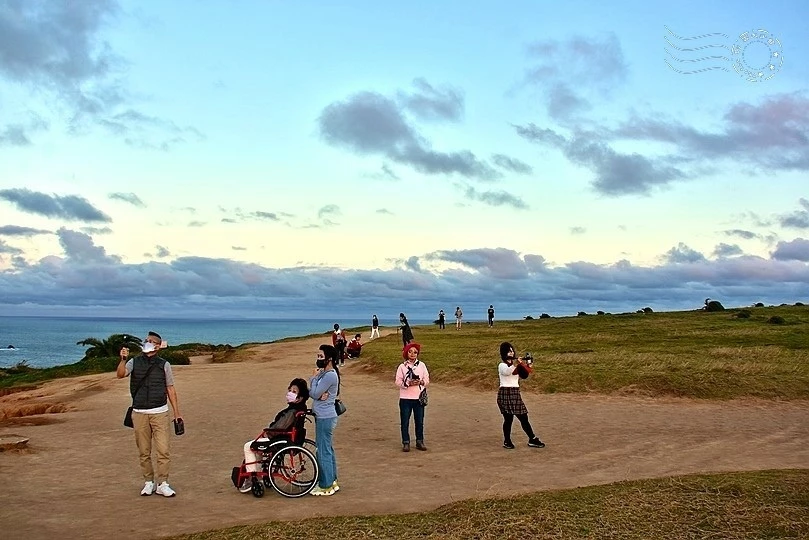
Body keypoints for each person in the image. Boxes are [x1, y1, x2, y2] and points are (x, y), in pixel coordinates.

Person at [117, 331, 183, 497]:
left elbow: (170, 388)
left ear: (158, 346)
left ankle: (163, 483)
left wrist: (177, 413)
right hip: (139, 412)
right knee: (144, 451)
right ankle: (148, 482)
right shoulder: (134, 362)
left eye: (151, 341)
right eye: (146, 340)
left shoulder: (164, 364)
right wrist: (123, 360)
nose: (147, 342)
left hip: (160, 412)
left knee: (163, 450)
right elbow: (120, 374)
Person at [239, 378, 310, 493]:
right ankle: (261, 473)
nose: (290, 393)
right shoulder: (299, 408)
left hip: (279, 439)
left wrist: (267, 432)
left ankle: (252, 478)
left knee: (248, 446)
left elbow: (280, 427)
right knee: (258, 448)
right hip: (286, 438)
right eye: (290, 390)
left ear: (299, 398)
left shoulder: (292, 411)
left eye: (294, 392)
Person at [497, 342, 544, 450]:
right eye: (509, 351)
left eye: (512, 351)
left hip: (514, 393)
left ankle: (532, 439)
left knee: (523, 417)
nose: (511, 353)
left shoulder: (515, 366)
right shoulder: (502, 365)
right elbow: (509, 372)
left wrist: (528, 366)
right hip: (505, 393)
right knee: (508, 419)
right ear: (504, 353)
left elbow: (524, 375)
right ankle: (507, 441)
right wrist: (520, 364)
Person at [309, 344, 341, 496]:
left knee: (323, 451)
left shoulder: (329, 376)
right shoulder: (325, 373)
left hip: (325, 417)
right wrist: (316, 389)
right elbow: (315, 393)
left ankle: (326, 485)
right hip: (324, 416)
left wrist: (313, 379)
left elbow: (314, 393)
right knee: (327, 449)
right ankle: (331, 480)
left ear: (329, 359)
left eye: (321, 356)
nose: (318, 359)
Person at [394, 342, 430, 452]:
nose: (413, 354)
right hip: (405, 398)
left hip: (418, 398)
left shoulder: (422, 365)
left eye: (415, 352)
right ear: (406, 353)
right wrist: (407, 383)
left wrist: (421, 382)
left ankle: (420, 441)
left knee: (419, 421)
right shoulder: (402, 367)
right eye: (410, 352)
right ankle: (406, 442)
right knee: (405, 421)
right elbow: (397, 381)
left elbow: (427, 380)